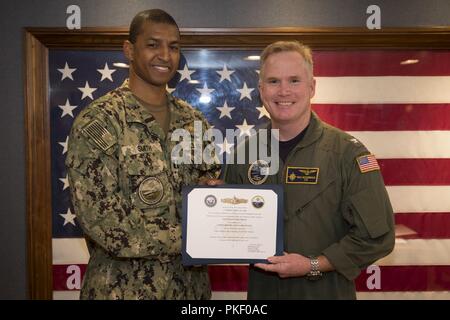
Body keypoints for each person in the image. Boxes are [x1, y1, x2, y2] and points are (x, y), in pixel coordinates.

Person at [66, 9, 220, 300]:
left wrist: (221, 208)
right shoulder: (100, 121)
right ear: (129, 50)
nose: (165, 55)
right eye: (153, 44)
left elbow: (208, 192)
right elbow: (103, 222)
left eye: (173, 47)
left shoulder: (194, 123)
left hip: (190, 291)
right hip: (122, 290)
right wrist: (192, 238)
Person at [222, 41, 395, 299]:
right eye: (273, 81)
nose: (283, 91)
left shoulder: (347, 154)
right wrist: (213, 203)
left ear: (312, 87)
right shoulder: (243, 154)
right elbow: (229, 230)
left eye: (294, 80)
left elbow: (378, 238)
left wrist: (312, 264)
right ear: (260, 90)